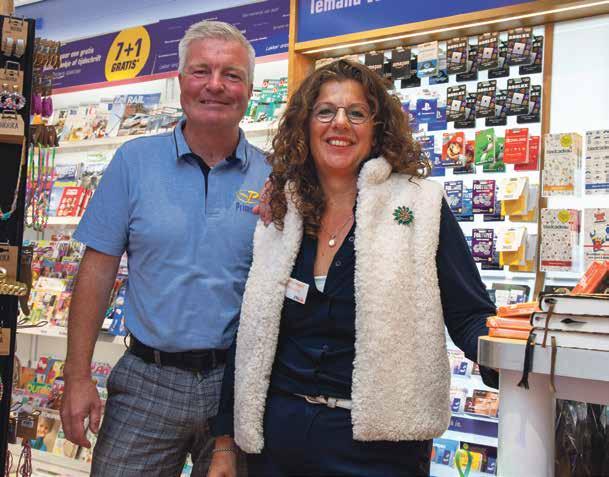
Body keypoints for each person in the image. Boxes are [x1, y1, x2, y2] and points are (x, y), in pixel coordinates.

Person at [208, 59, 497, 477]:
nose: (339, 123)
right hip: (278, 440)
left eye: (356, 113)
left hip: (378, 451)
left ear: (378, 128)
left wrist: (515, 359)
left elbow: (469, 314)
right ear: (305, 125)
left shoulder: (419, 204)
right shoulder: (283, 210)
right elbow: (252, 330)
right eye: (325, 111)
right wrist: (225, 441)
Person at [60, 20, 269, 476]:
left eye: (231, 75)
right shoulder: (133, 161)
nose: (215, 85)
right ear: (180, 82)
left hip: (236, 386)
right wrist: (77, 377)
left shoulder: (273, 177)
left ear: (250, 91)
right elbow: (96, 271)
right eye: (201, 71)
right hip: (146, 381)